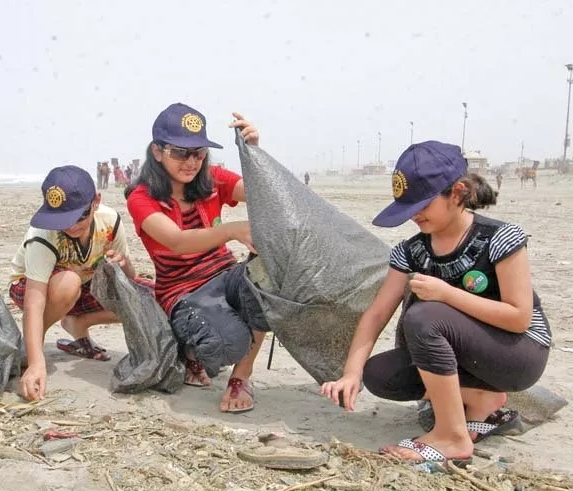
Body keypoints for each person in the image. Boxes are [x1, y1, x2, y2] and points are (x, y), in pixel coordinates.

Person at [320, 141, 551, 465]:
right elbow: (377, 313)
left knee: (424, 316)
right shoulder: (410, 251)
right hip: (464, 356)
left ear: (457, 193)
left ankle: (452, 437)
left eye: (422, 205)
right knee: (380, 374)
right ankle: (481, 400)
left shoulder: (500, 238)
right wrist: (350, 373)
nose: (415, 215)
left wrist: (448, 294)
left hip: (518, 352)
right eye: (408, 208)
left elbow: (519, 317)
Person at [125, 102, 270, 413]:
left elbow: (262, 192)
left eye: (199, 152)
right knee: (228, 342)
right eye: (180, 152)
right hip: (183, 292)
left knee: (268, 276)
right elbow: (177, 242)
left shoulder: (212, 179)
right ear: (157, 151)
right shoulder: (141, 198)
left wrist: (253, 152)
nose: (191, 162)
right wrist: (231, 230)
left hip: (225, 276)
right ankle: (190, 350)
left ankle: (241, 377)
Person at [9, 165, 136, 401]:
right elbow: (34, 301)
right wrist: (36, 363)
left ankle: (78, 324)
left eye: (79, 217)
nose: (71, 226)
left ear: (96, 202)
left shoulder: (110, 222)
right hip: (34, 287)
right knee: (69, 282)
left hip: (83, 285)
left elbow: (130, 278)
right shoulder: (43, 234)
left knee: (143, 298)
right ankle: (32, 343)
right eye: (62, 220)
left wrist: (123, 262)